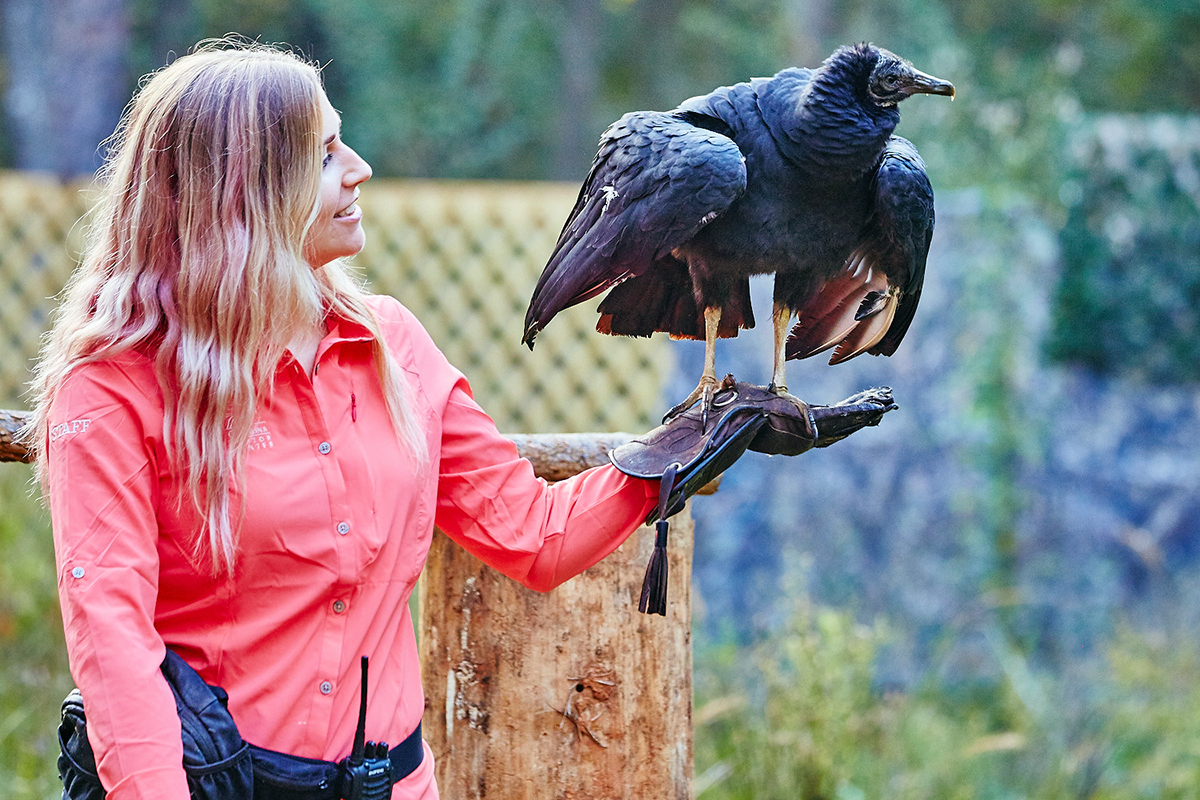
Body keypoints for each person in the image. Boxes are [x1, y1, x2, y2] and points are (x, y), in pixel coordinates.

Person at [29, 39, 663, 799]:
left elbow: (534, 535)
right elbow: (113, 647)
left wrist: (689, 445)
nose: (359, 168)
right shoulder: (112, 387)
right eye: (326, 153)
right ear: (246, 191)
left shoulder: (391, 344)